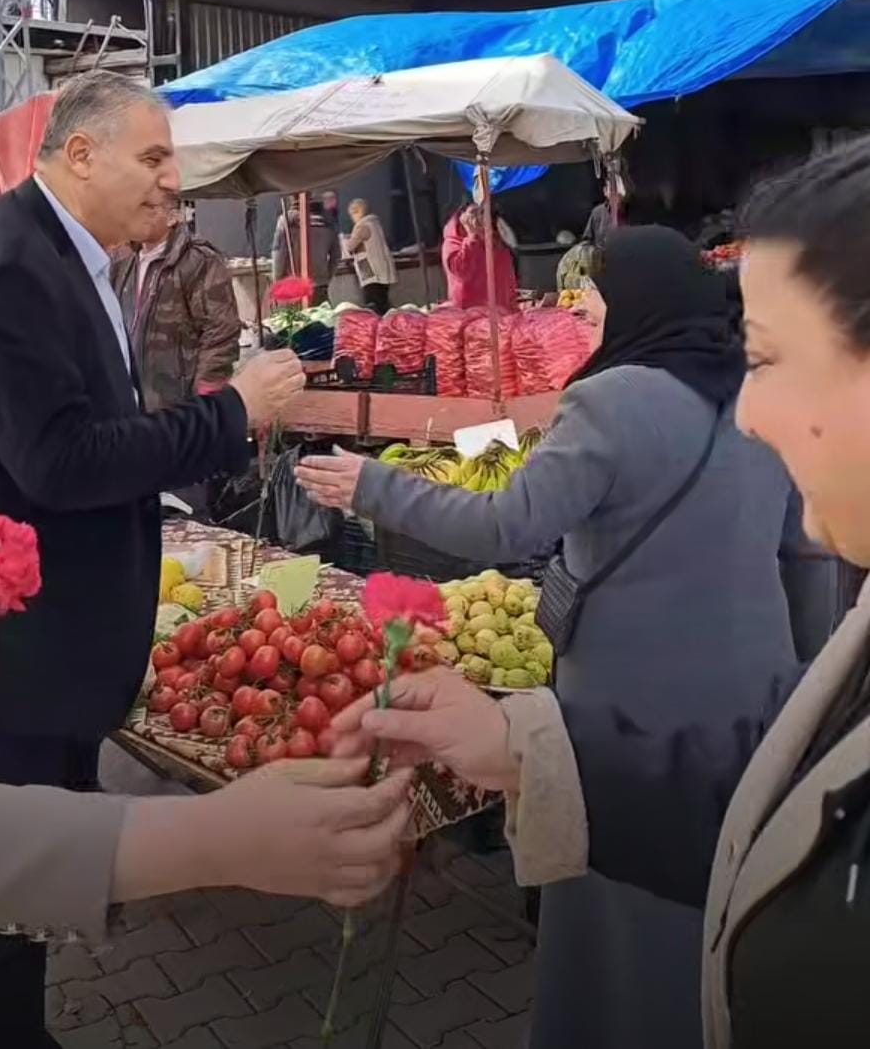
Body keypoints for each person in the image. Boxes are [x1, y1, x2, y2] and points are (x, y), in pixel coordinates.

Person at [0, 107, 412, 1048]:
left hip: (25, 635)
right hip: (10, 629)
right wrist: (210, 842)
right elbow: (61, 460)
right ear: (79, 153)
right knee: (1, 851)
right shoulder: (11, 259)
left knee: (18, 841)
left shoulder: (53, 255)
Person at [328, 139, 870, 1049]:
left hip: (629, 692)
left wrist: (370, 486)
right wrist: (807, 689)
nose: (754, 409)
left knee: (618, 929)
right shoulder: (739, 398)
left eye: (777, 357)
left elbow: (509, 528)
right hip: (758, 692)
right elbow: (802, 563)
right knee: (713, 909)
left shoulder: (612, 401)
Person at [112, 209, 242, 519]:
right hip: (132, 414)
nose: (138, 214)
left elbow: (220, 330)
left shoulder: (198, 260)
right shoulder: (124, 261)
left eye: (149, 207)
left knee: (183, 514)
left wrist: (205, 400)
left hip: (179, 409)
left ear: (172, 215)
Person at [441, 203, 518, 311]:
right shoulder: (453, 242)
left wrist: (513, 307)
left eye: (482, 212)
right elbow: (462, 271)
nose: (479, 218)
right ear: (462, 217)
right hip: (470, 314)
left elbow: (508, 279)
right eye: (473, 213)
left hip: (501, 313)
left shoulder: (496, 240)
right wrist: (472, 236)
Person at [272, 195, 339, 305]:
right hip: (320, 284)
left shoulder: (286, 220)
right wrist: (326, 277)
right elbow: (336, 255)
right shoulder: (328, 221)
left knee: (297, 320)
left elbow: (279, 253)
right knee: (321, 318)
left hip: (294, 283)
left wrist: (277, 280)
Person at [344, 198, 396, 314]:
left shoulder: (362, 226)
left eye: (352, 214)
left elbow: (350, 246)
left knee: (374, 305)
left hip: (372, 272)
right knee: (383, 301)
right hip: (382, 270)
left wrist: (345, 239)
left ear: (357, 212)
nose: (352, 218)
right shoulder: (375, 223)